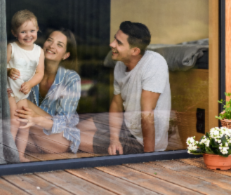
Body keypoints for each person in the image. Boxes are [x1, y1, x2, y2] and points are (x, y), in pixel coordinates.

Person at [78, 21, 171, 155]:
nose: (111, 44)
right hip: (126, 124)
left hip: (140, 141)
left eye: (119, 43)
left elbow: (147, 115)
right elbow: (116, 104)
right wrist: (114, 139)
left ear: (135, 51)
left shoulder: (154, 64)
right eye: (115, 39)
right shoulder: (120, 65)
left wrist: (149, 158)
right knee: (77, 129)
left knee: (71, 138)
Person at [11, 28, 81, 159]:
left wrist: (36, 119)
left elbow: (64, 121)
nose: (52, 46)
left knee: (22, 101)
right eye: (50, 40)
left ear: (65, 55)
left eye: (59, 45)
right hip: (31, 138)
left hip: (57, 140)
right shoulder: (29, 70)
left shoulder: (71, 78)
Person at [7, 10, 45, 162]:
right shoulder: (12, 47)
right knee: (14, 121)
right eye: (23, 31)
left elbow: (39, 73)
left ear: (37, 30)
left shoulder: (38, 51)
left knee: (24, 123)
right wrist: (8, 70)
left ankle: (20, 155)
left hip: (22, 93)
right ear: (14, 33)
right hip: (9, 91)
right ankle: (7, 154)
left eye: (32, 31)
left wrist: (29, 84)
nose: (28, 35)